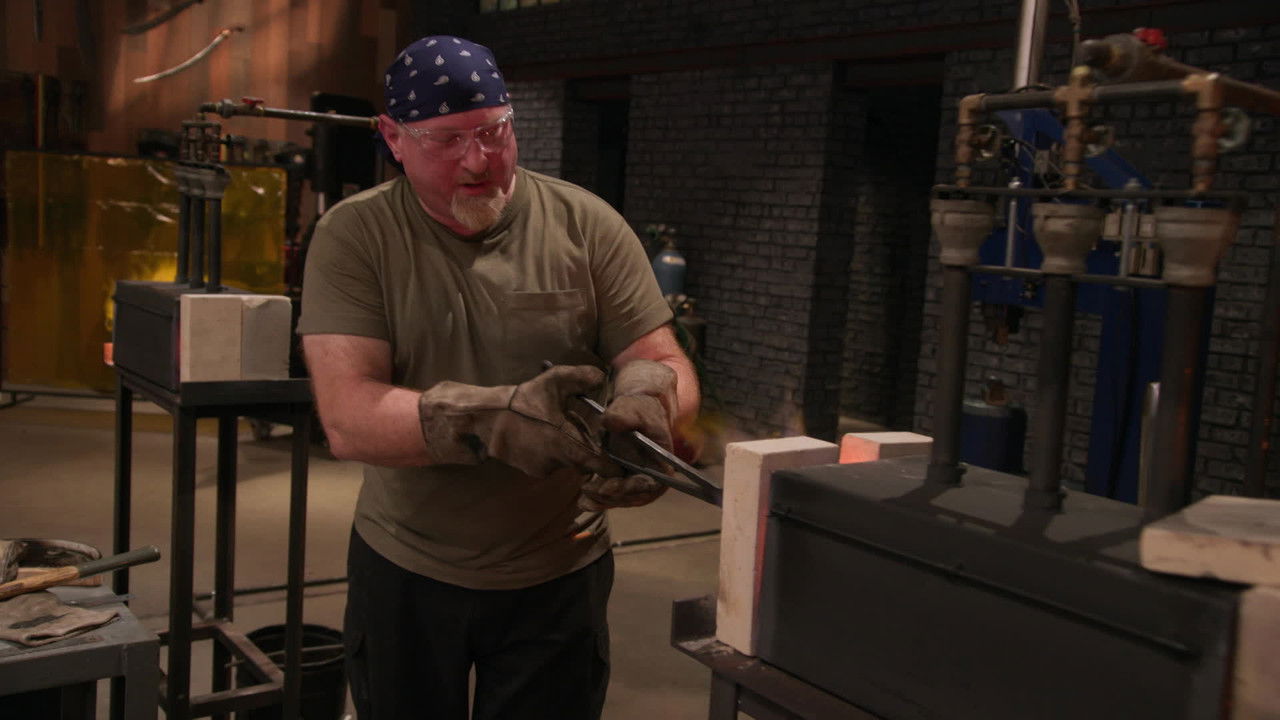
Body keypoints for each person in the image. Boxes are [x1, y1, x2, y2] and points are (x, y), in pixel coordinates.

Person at [296, 34, 700, 720]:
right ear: (393, 139)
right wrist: (492, 419)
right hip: (408, 570)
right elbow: (347, 416)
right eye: (447, 140)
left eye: (494, 131)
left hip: (559, 573)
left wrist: (651, 406)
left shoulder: (586, 226)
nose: (479, 160)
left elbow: (664, 359)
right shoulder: (355, 236)